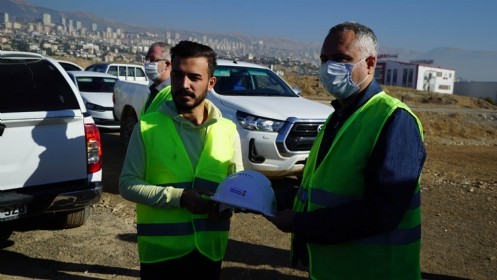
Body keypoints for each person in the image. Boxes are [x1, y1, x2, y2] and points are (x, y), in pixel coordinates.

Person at [265, 21, 426, 280]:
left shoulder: (393, 118)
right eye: (324, 59)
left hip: (377, 271)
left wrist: (301, 224)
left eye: (341, 58)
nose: (329, 67)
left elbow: (383, 211)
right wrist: (270, 196)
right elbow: (323, 188)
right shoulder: (338, 116)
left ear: (370, 63)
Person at [119, 40, 244, 280]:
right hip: (161, 256)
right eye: (177, 75)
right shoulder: (147, 127)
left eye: (194, 78)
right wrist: (180, 198)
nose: (183, 85)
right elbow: (127, 184)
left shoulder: (227, 130)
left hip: (209, 251)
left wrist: (228, 206)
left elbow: (237, 186)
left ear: (211, 83)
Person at [141, 41, 172, 115]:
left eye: (152, 60)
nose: (147, 63)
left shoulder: (173, 94)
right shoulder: (153, 90)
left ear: (167, 64)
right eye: (146, 59)